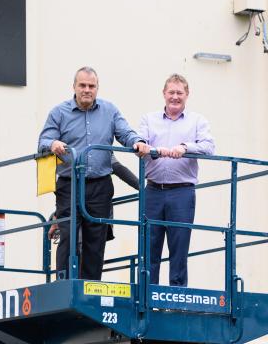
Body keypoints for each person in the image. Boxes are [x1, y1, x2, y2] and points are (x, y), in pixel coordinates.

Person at [38, 66, 148, 280]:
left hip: (100, 185)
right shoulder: (59, 112)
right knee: (68, 236)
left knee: (96, 240)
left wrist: (138, 142)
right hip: (69, 185)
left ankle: (91, 287)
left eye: (91, 86)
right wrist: (52, 143)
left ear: (97, 88)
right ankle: (64, 283)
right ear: (74, 87)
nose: (87, 90)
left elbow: (125, 133)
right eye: (82, 85)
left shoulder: (110, 110)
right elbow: (42, 141)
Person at [140, 73, 214, 287]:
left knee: (179, 248)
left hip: (182, 193)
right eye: (171, 92)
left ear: (187, 95)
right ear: (164, 94)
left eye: (179, 93)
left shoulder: (198, 121)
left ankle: (177, 299)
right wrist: (151, 149)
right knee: (149, 247)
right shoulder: (148, 119)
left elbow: (209, 147)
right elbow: (139, 141)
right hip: (153, 191)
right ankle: (148, 297)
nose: (175, 97)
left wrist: (185, 148)